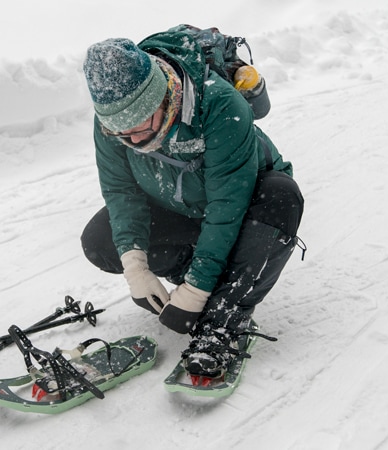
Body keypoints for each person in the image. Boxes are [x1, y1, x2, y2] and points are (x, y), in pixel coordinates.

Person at [80, 26, 304, 379]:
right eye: (122, 134)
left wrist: (197, 290)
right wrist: (135, 266)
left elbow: (226, 206)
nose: (134, 139)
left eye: (140, 125)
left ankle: (224, 317)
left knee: (282, 197)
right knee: (100, 240)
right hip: (182, 208)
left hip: (244, 208)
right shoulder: (112, 120)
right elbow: (121, 192)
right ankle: (208, 278)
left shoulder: (218, 104)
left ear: (159, 97)